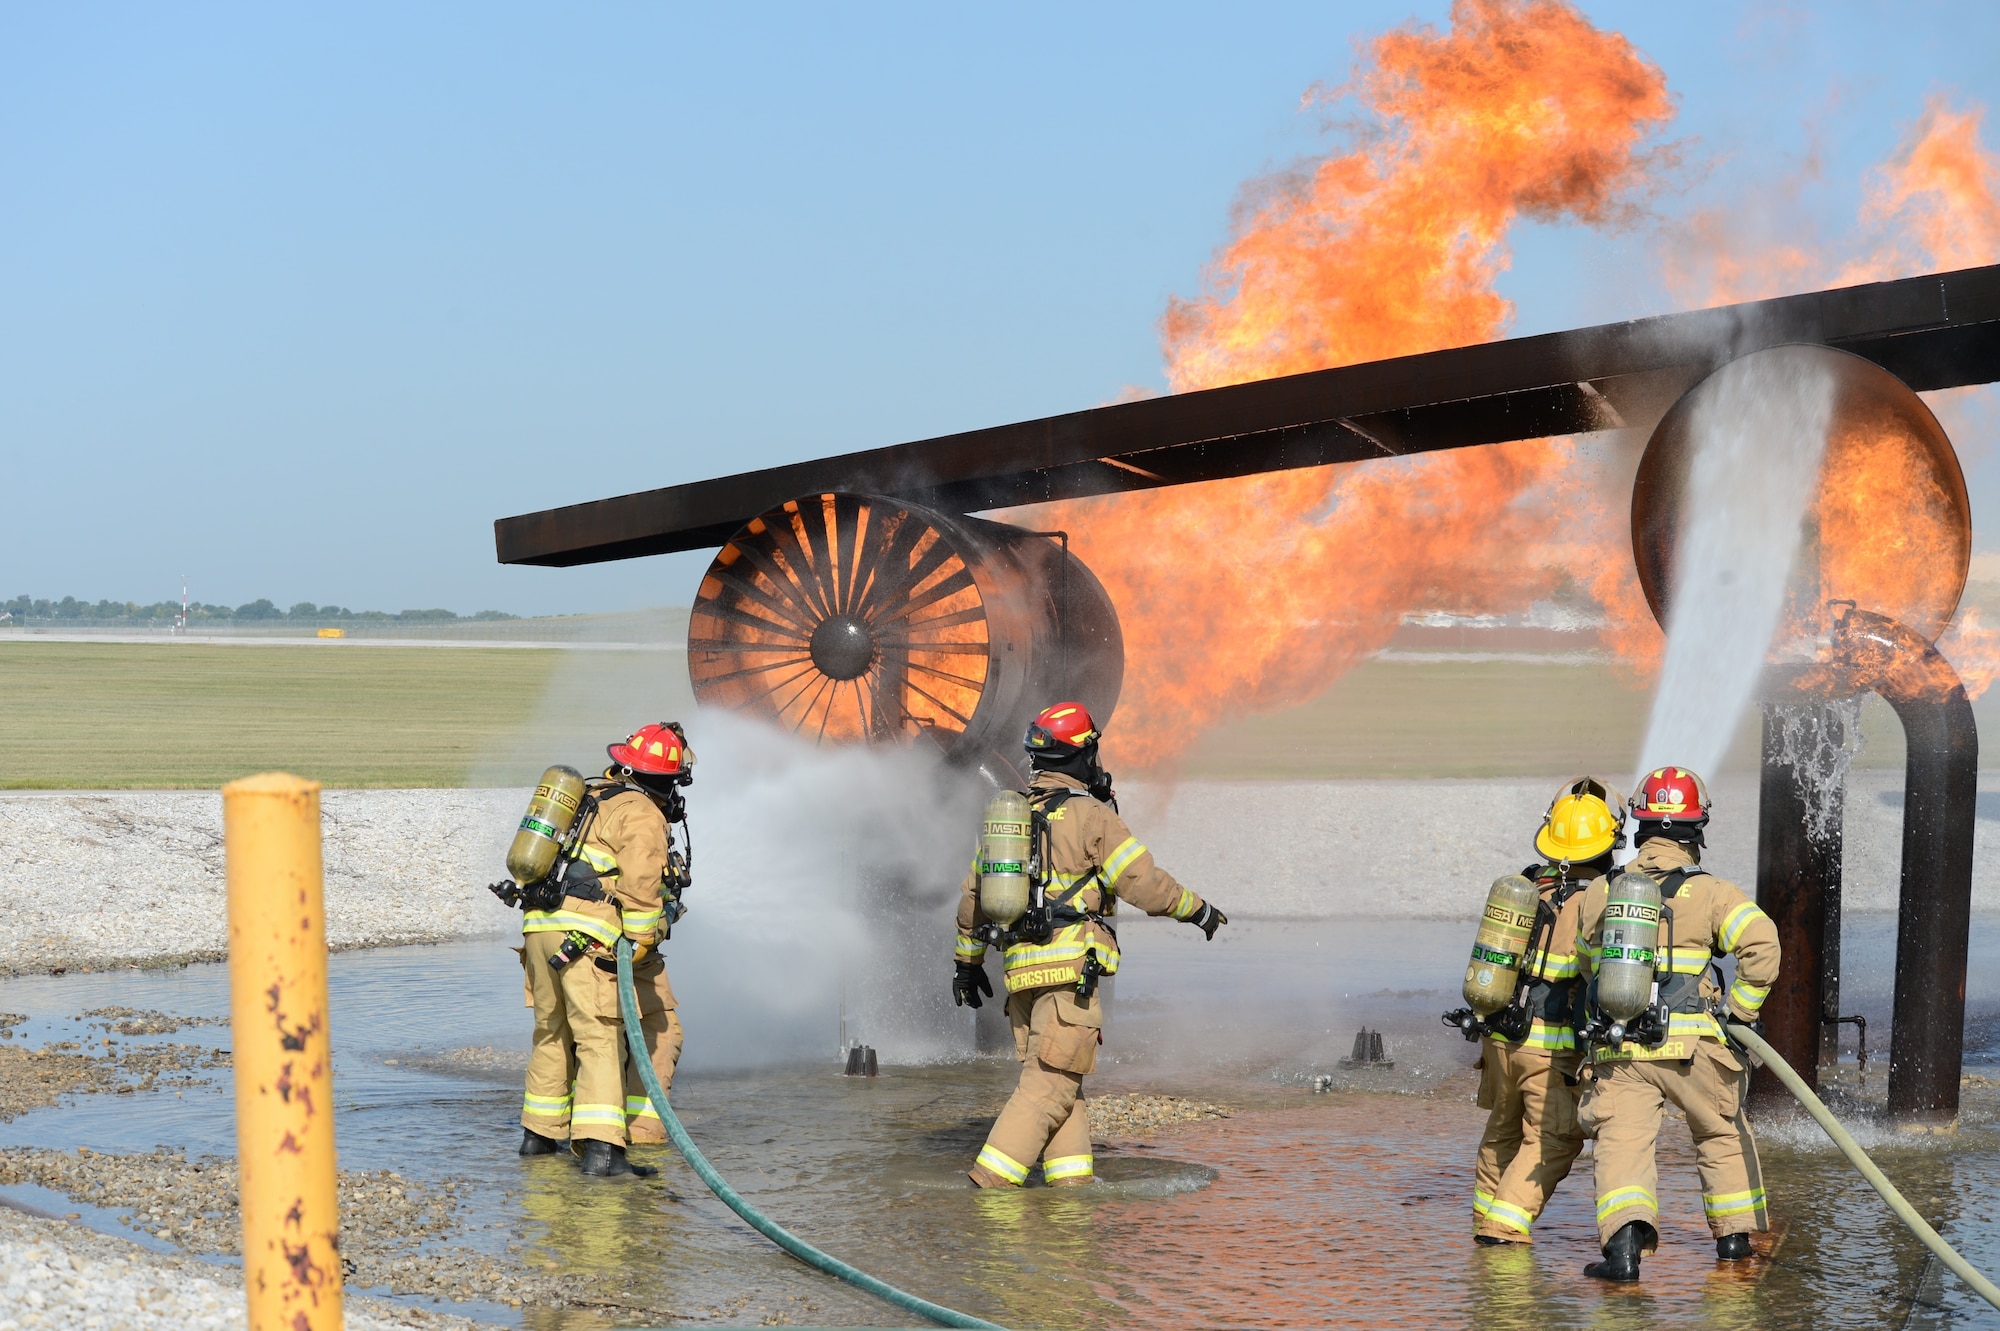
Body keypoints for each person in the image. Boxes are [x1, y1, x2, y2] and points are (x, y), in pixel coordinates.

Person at [951, 702, 1228, 1189]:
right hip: (1069, 975)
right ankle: (986, 1189)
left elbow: (973, 900)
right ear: (1081, 756)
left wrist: (968, 967)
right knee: (1048, 1087)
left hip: (1021, 978)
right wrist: (1198, 910)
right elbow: (1143, 884)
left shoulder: (1009, 822)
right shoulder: (1090, 817)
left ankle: (1071, 1193)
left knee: (1062, 1084)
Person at [1575, 765, 1781, 1281]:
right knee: (1718, 1135)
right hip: (1695, 1046)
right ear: (1697, 831)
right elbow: (1763, 946)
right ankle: (1733, 1246)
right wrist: (1741, 1010)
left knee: (1622, 1143)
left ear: (1639, 829)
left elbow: (1586, 964)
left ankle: (1622, 1256)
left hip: (1621, 1047)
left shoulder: (1601, 893)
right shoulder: (1713, 893)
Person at [518, 722, 694, 1177]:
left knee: (553, 1033)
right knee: (599, 1037)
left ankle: (539, 1138)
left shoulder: (590, 797)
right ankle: (603, 1153)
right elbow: (639, 885)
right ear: (665, 780)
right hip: (589, 938)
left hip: (541, 928)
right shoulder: (640, 811)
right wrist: (639, 942)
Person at [1470, 776, 1624, 1245]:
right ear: (1610, 841)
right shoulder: (1597, 900)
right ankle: (1502, 1231)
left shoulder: (1525, 885)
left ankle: (1482, 1222)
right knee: (1552, 1138)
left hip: (1498, 1037)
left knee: (1502, 1131)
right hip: (1548, 1047)